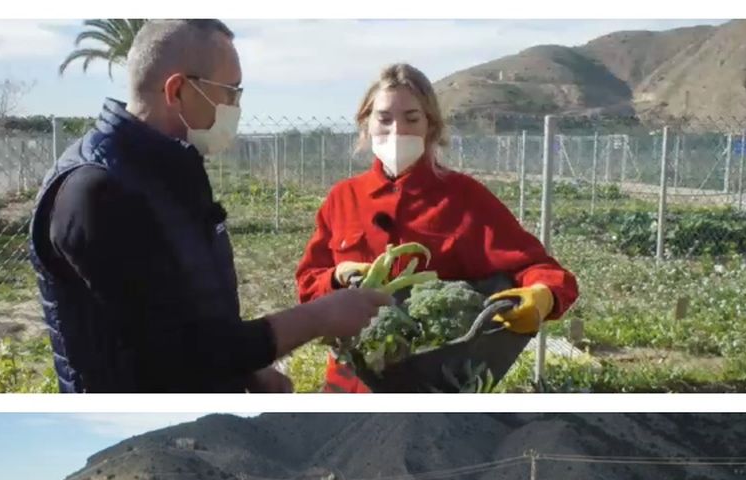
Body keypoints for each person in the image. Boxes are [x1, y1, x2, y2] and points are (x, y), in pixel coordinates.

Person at [29, 19, 390, 393]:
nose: (236, 105)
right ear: (178, 90)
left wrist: (246, 373)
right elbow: (172, 355)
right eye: (230, 91)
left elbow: (191, 311)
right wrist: (318, 317)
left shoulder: (171, 171)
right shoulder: (94, 193)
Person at [295, 63, 580, 393]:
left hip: (433, 380)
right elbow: (307, 285)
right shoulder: (342, 198)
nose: (397, 130)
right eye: (384, 118)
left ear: (431, 126)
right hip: (348, 380)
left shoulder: (464, 197)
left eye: (412, 118)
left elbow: (539, 269)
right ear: (366, 124)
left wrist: (543, 295)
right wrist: (336, 276)